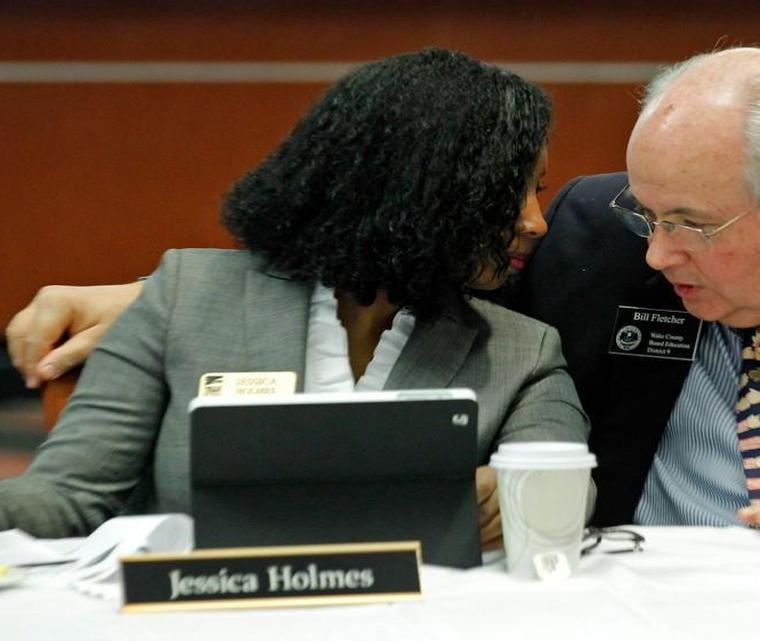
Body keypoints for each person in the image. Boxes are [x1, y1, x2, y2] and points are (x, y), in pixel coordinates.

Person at [10, 47, 760, 533]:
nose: (653, 254)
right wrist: (148, 291)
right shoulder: (614, 231)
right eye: (647, 215)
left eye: (692, 225)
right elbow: (374, 250)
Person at [0, 48, 588, 544]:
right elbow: (67, 496)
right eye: (508, 194)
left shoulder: (522, 350)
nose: (535, 223)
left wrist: (519, 492)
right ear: (420, 190)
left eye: (535, 194)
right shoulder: (185, 298)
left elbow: (569, 485)